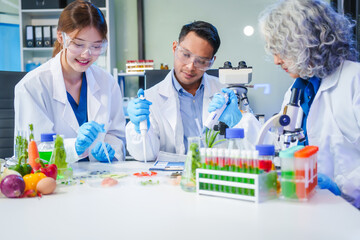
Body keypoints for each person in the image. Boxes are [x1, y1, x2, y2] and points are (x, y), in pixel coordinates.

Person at [257, 0, 360, 207]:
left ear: (308, 42)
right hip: (308, 207)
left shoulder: (354, 81)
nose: (276, 60)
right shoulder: (297, 91)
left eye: (281, 50)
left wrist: (342, 187)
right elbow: (281, 148)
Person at [126, 21, 256, 161]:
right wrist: (139, 129)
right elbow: (146, 155)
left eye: (201, 61)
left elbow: (251, 147)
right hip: (171, 179)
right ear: (175, 47)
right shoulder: (150, 98)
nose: (190, 67)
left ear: (212, 61)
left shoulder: (227, 93)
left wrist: (238, 122)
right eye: (186, 55)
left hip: (215, 175)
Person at [15, 0, 126, 162]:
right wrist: (74, 148)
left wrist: (111, 151)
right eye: (78, 44)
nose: (86, 55)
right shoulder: (31, 86)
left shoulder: (107, 82)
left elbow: (116, 135)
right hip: (55, 181)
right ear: (61, 37)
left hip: (100, 179)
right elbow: (33, 153)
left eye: (96, 46)